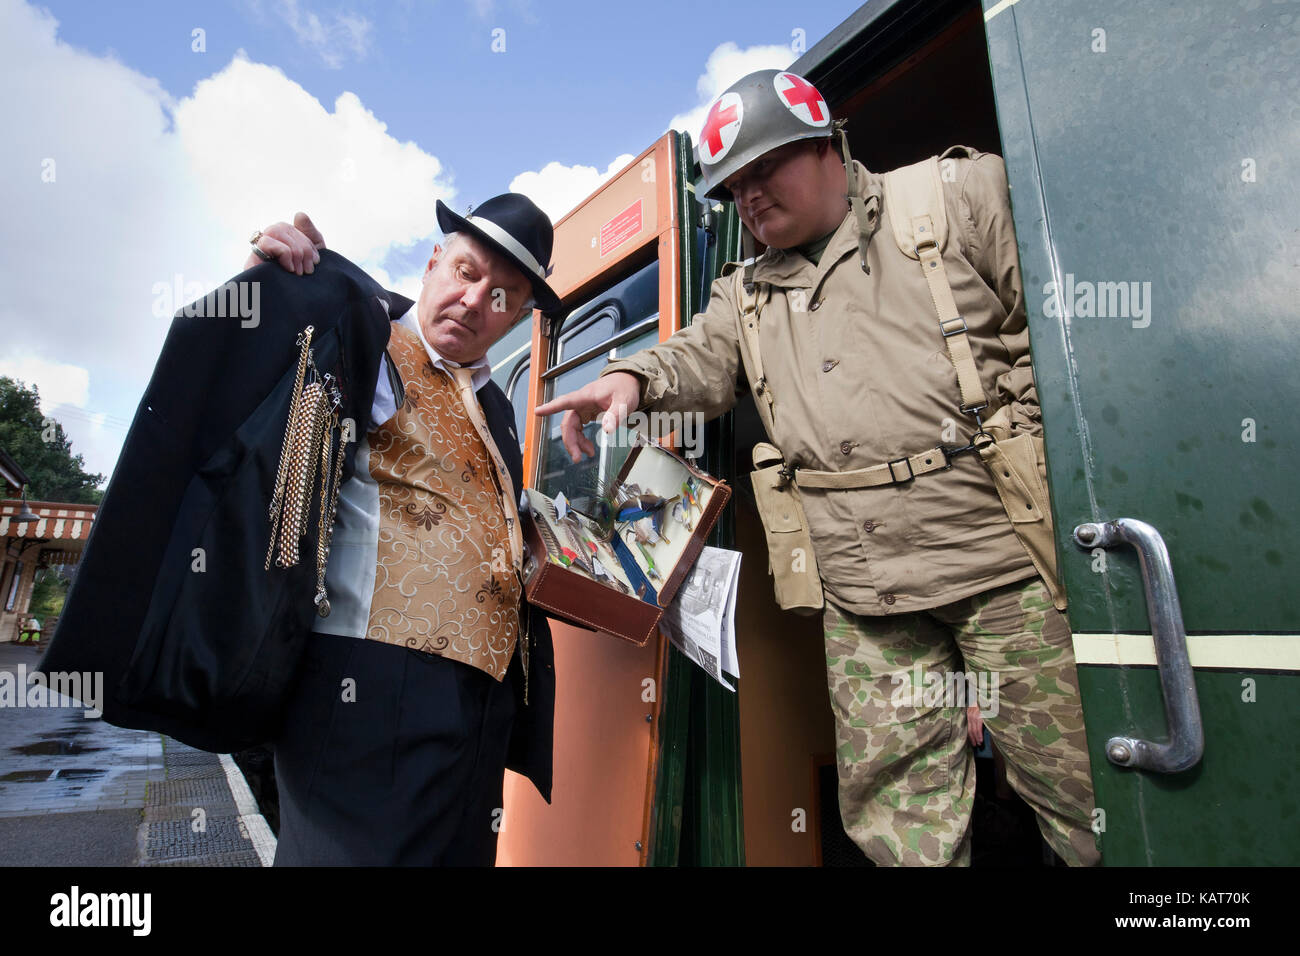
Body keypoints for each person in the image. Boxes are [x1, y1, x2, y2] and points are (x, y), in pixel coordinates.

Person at [534, 70, 1100, 867]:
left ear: (827, 143)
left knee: (1087, 799)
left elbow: (1083, 341)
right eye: (733, 187)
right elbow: (701, 357)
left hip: (1005, 566)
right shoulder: (747, 292)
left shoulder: (954, 198)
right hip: (865, 593)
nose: (750, 196)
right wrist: (633, 377)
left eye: (764, 167)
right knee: (904, 827)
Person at [246, 193, 561, 865]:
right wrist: (266, 278)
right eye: (467, 272)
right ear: (432, 262)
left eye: (504, 296)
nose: (478, 302)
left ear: (521, 316)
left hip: (478, 706)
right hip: (368, 687)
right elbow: (261, 402)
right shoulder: (361, 334)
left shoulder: (499, 406)